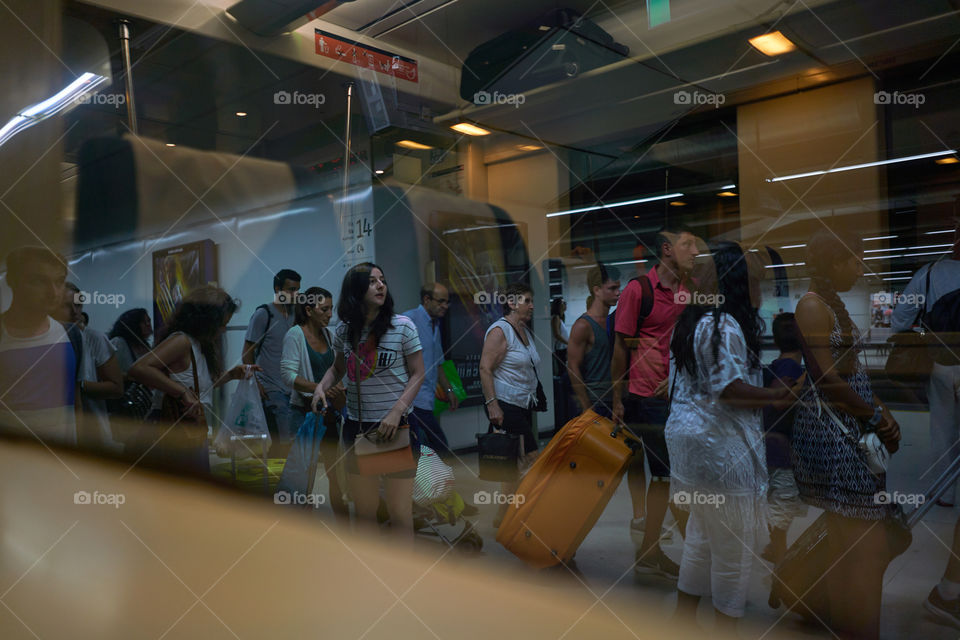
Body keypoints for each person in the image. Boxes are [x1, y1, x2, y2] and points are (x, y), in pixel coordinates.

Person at [668, 242, 802, 629]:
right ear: (738, 284)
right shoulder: (723, 325)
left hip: (691, 448)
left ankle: (682, 621)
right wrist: (775, 395)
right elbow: (728, 390)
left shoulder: (691, 321)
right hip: (722, 451)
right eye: (754, 282)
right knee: (735, 550)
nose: (759, 291)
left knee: (701, 537)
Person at [792, 229, 901, 639]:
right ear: (834, 262)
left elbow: (853, 374)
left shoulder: (830, 306)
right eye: (855, 261)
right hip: (833, 436)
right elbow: (827, 379)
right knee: (869, 547)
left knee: (847, 546)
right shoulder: (812, 306)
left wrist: (881, 410)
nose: (860, 270)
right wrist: (874, 417)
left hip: (848, 426)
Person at [311, 263, 425, 544]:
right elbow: (337, 368)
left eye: (382, 280)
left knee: (399, 512)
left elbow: (418, 373)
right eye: (372, 282)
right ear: (355, 291)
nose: (381, 285)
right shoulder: (345, 331)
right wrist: (320, 387)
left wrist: (396, 412)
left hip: (396, 428)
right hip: (359, 428)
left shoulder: (402, 326)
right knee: (364, 512)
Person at [611, 225, 700, 578]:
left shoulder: (690, 291)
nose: (695, 251)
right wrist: (617, 400)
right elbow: (621, 347)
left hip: (681, 396)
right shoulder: (639, 290)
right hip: (647, 397)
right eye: (687, 244)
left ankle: (662, 549)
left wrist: (681, 379)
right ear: (666, 250)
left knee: (675, 476)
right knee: (666, 475)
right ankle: (672, 550)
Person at [130, 286, 257, 473]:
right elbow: (139, 368)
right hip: (173, 427)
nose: (223, 330)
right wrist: (182, 392)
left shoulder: (198, 344)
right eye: (221, 324)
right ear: (206, 321)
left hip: (190, 428)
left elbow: (200, 384)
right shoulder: (182, 341)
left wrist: (231, 375)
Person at [278, 286, 348, 523]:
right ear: (308, 310)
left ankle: (345, 526)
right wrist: (320, 388)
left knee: (336, 474)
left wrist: (338, 391)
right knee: (303, 475)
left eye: (331, 309)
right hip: (304, 413)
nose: (330, 314)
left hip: (329, 415)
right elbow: (288, 376)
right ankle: (299, 526)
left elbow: (337, 370)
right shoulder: (295, 335)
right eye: (324, 309)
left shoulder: (329, 335)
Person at [0, 247, 79, 446]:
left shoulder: (71, 334)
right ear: (13, 282)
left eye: (59, 282)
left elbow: (75, 397)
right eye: (38, 281)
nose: (53, 293)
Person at [479, 281, 542, 526]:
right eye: (528, 301)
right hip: (506, 406)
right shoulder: (500, 331)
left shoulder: (523, 331)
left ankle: (503, 515)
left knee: (513, 462)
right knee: (533, 459)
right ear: (512, 303)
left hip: (522, 404)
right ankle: (529, 515)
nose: (532, 306)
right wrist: (492, 405)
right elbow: (485, 368)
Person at [760, 313, 808, 565]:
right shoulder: (792, 370)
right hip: (782, 449)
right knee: (784, 500)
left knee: (779, 500)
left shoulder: (775, 365)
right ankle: (779, 552)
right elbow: (781, 403)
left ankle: (775, 546)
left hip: (771, 446)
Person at [58, 282, 123, 450]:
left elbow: (116, 388)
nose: (75, 312)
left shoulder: (94, 339)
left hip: (93, 433)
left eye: (78, 305)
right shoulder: (48, 340)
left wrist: (77, 385)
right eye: (66, 305)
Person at [243, 268, 301, 453]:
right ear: (278, 289)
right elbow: (247, 352)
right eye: (291, 289)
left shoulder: (296, 315)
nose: (295, 294)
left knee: (294, 439)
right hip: (271, 387)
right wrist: (255, 382)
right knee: (280, 441)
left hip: (292, 387)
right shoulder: (264, 314)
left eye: (297, 290)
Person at [402, 283, 460, 456]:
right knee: (440, 448)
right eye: (441, 301)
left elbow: (437, 363)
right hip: (413, 400)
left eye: (447, 302)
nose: (445, 306)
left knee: (425, 450)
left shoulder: (435, 325)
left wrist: (449, 391)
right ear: (427, 299)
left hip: (426, 399)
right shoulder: (408, 320)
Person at [567, 264, 621, 417]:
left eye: (618, 288)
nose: (618, 293)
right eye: (612, 288)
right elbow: (572, 367)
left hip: (618, 400)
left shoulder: (614, 321)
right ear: (597, 290)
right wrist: (586, 406)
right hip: (597, 401)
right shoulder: (583, 326)